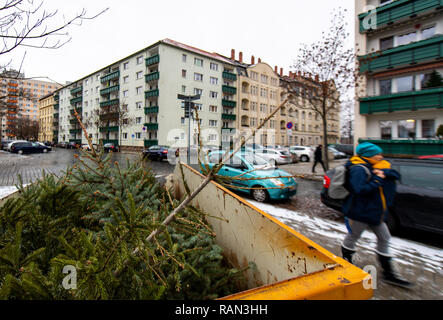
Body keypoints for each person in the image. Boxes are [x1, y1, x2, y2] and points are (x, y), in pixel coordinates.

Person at [341, 142, 413, 289]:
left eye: (380, 154)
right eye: (377, 155)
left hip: (375, 212)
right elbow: (359, 189)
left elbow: (394, 174)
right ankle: (346, 264)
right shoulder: (359, 169)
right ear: (368, 155)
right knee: (353, 237)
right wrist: (378, 180)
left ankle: (389, 273)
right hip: (360, 212)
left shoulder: (377, 166)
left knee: (384, 238)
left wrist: (383, 173)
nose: (381, 157)